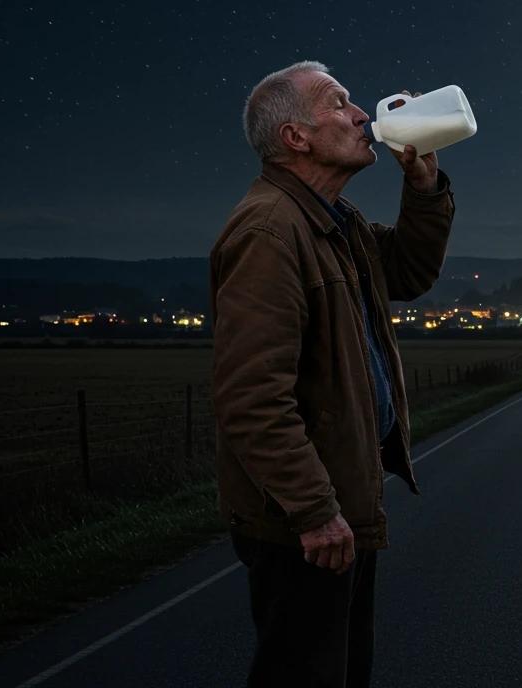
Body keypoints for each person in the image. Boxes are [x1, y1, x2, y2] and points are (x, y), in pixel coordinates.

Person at [210, 60, 455, 688]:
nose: (362, 115)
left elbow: (405, 273)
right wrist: (315, 511)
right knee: (307, 677)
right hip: (303, 523)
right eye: (339, 103)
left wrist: (424, 188)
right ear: (296, 137)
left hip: (341, 504)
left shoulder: (334, 224)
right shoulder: (271, 230)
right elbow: (251, 398)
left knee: (343, 674)